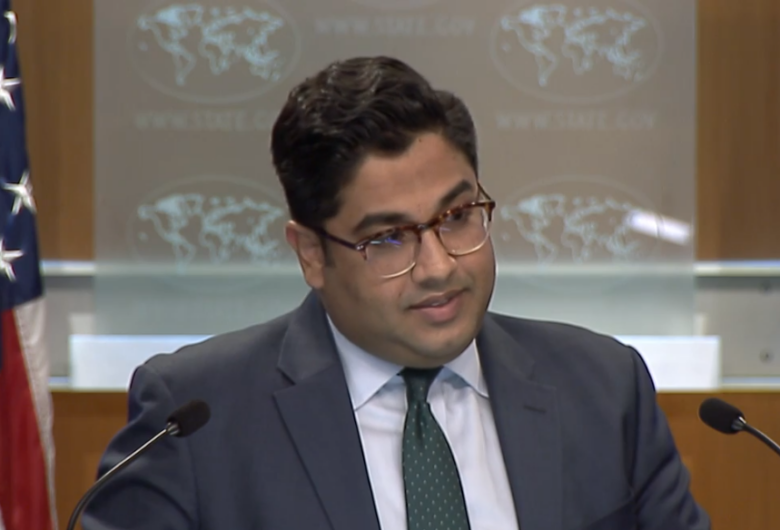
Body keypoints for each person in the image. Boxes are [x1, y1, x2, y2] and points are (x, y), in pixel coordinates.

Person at [82, 56, 711, 530]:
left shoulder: (605, 389)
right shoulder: (196, 422)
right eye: (387, 239)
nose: (438, 267)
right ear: (311, 254)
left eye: (457, 217)